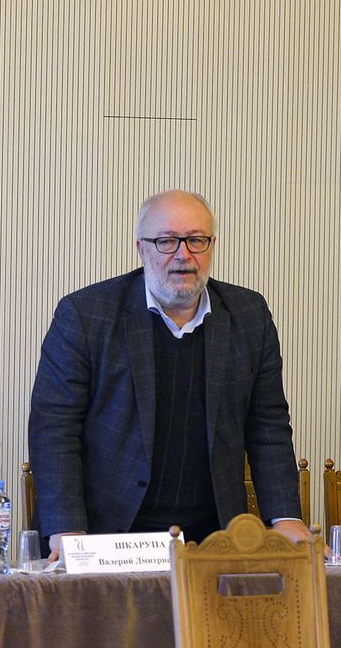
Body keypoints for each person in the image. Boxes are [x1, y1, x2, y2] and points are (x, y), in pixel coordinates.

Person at [29, 189, 309, 558]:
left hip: (213, 536)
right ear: (141, 248)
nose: (183, 255)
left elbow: (268, 425)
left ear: (212, 246)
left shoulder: (249, 315)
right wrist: (66, 529)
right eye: (166, 241)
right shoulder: (85, 315)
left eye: (196, 240)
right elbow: (54, 427)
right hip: (106, 531)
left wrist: (285, 517)